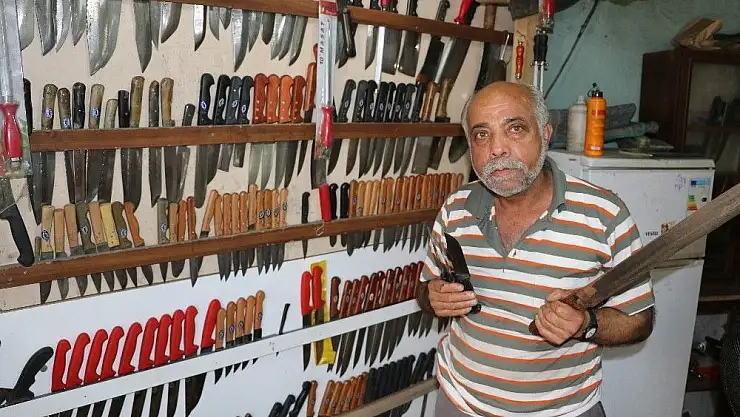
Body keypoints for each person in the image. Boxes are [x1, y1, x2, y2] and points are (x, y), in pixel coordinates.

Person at [416, 81, 655, 417]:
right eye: (482, 135)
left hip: (564, 411)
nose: (497, 149)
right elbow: (425, 290)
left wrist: (586, 324)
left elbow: (639, 320)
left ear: (545, 134)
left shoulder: (604, 215)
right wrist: (433, 297)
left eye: (515, 128)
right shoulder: (455, 209)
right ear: (470, 146)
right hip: (460, 404)